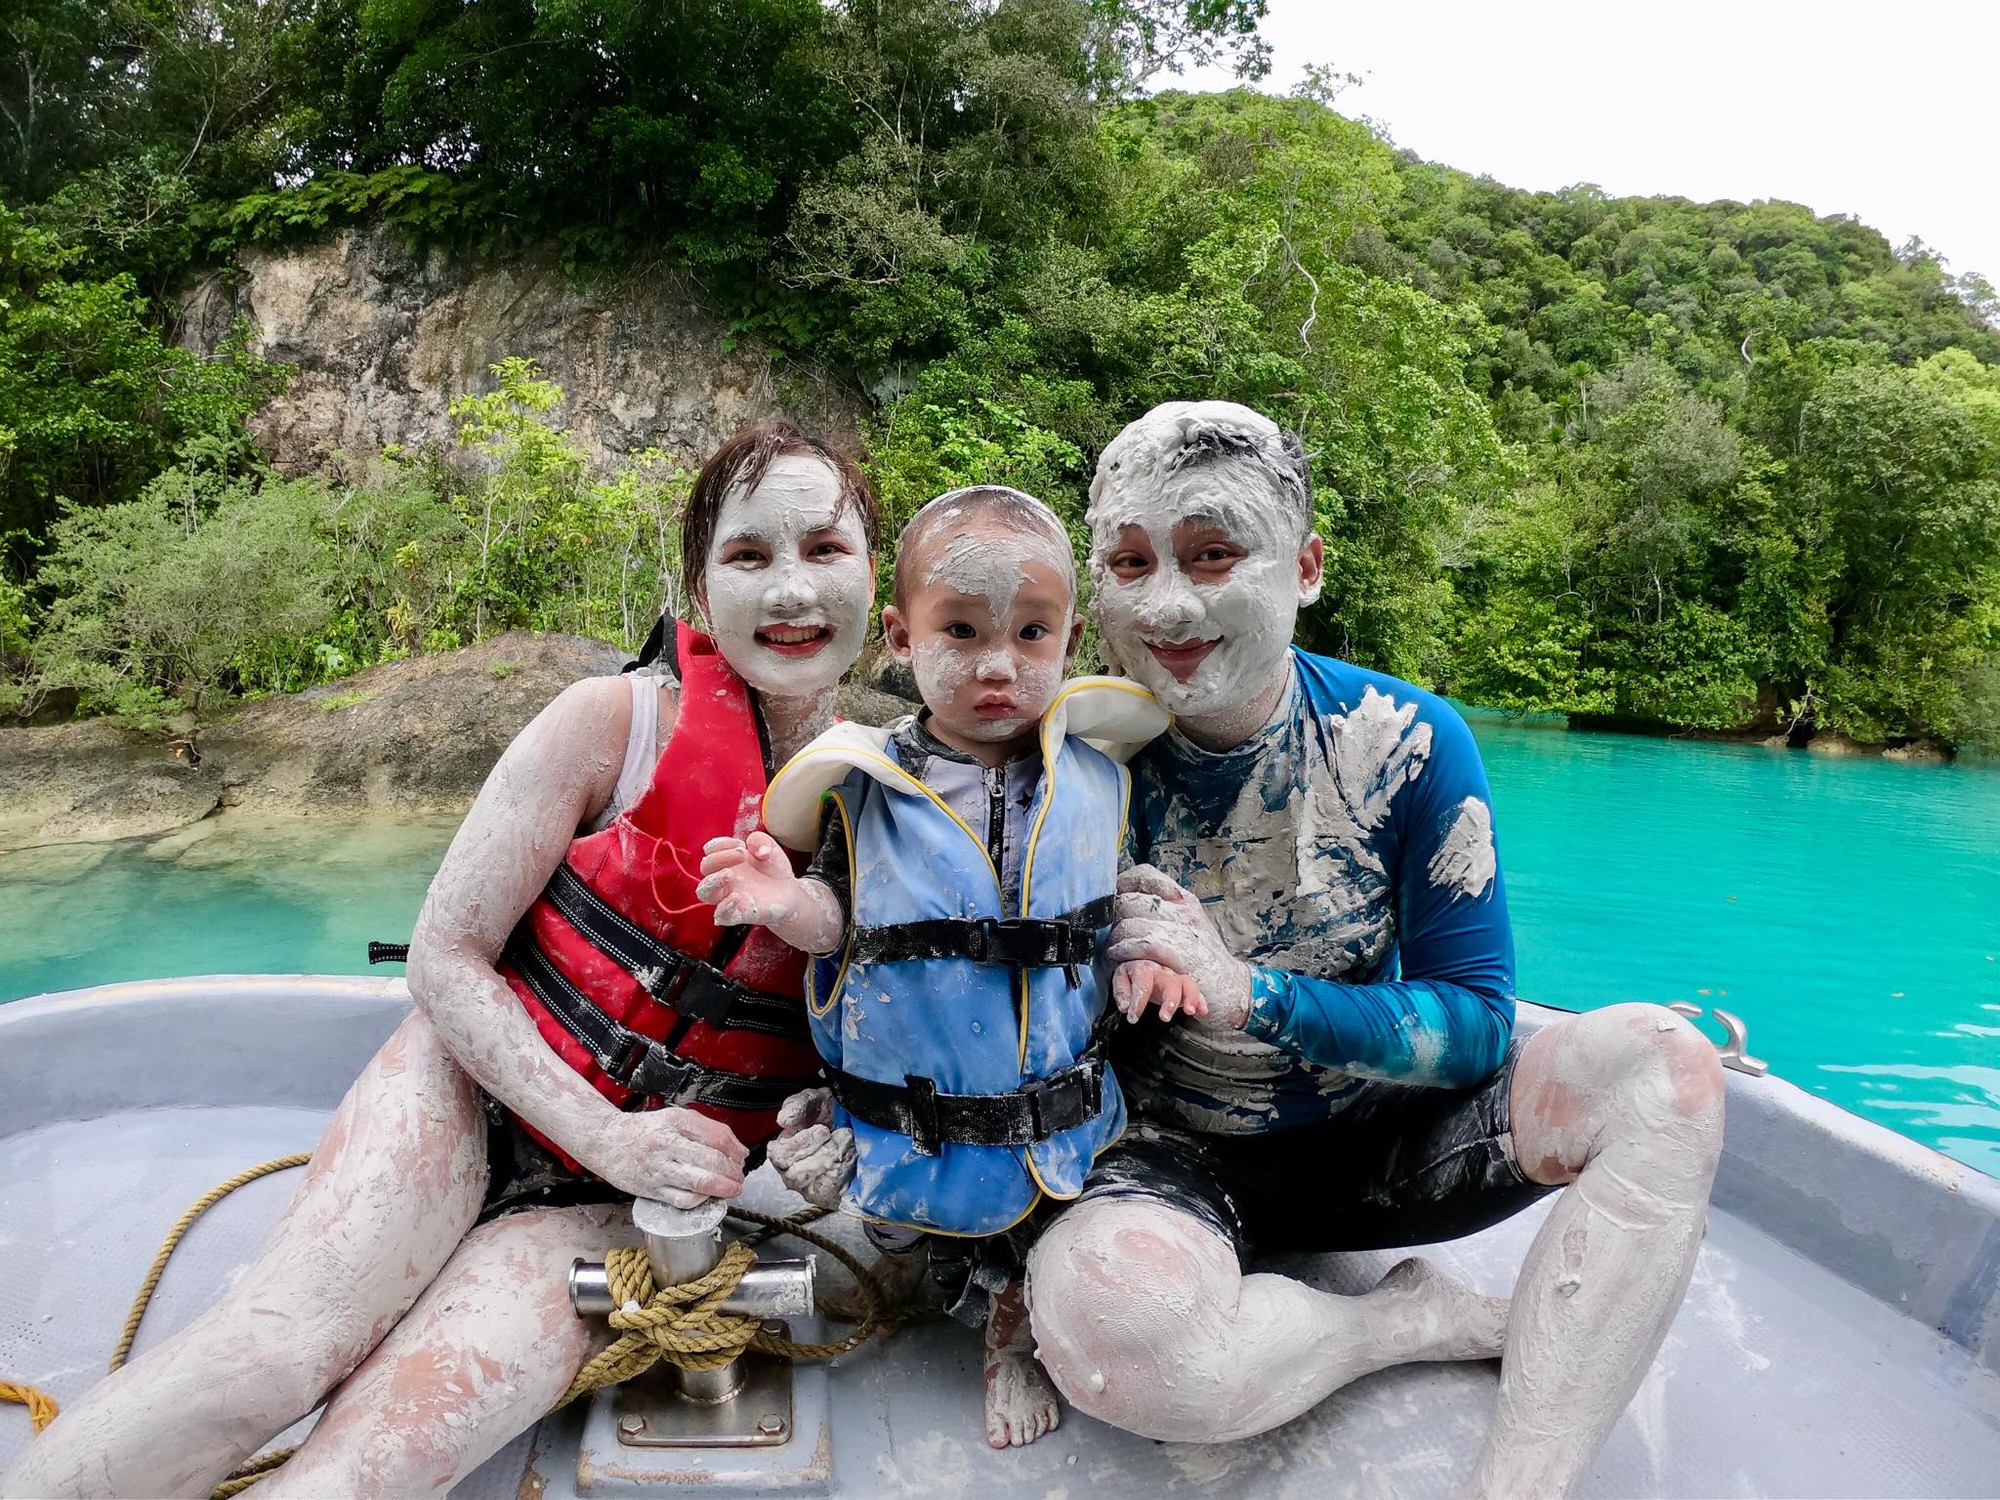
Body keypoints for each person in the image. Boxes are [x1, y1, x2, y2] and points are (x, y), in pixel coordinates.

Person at [1, 420, 882, 1500]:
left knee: (370, 1471)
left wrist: (826, 1124)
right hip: (470, 1090)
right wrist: (606, 1129)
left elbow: (879, 1049)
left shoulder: (902, 821)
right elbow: (444, 956)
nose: (789, 590)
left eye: (824, 550)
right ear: (701, 590)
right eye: (749, 556)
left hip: (621, 1201)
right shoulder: (608, 724)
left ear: (874, 587)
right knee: (267, 1356)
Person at [1021, 401, 1727, 1498]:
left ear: (1302, 567)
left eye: (1212, 554)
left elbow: (1478, 1025)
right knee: (1118, 1351)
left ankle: (1521, 1482)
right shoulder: (1057, 766)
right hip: (1163, 1156)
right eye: (1128, 561)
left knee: (1662, 1067)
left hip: (1383, 1143)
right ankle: (1398, 1324)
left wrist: (1246, 991)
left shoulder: (1403, 742)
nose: (1165, 602)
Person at [695, 485, 1176, 1449]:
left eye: (1032, 635)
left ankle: (1010, 1333)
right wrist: (786, 904)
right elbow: (845, 919)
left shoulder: (1094, 778)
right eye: (961, 630)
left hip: (1050, 1101)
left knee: (1032, 1231)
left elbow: (1109, 898)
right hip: (909, 1100)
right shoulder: (866, 785)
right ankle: (917, 1258)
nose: (1000, 666)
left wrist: (1149, 959)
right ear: (901, 638)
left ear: (1071, 639)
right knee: (899, 1229)